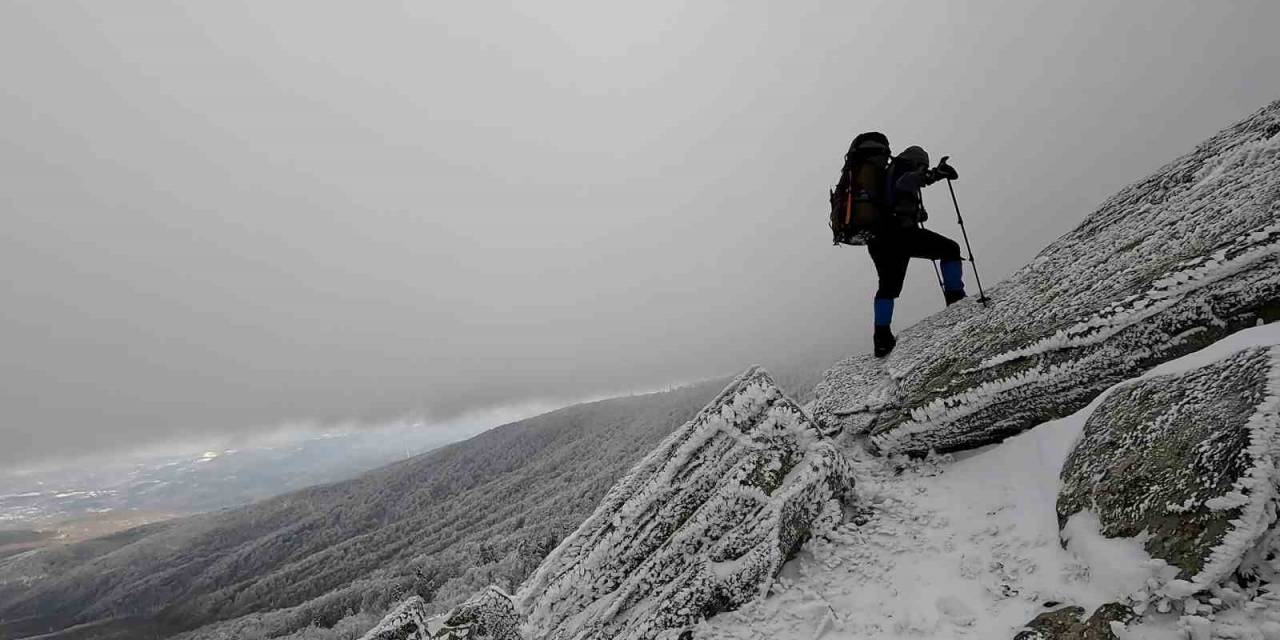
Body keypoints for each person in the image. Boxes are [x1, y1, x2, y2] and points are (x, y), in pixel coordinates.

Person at [866, 144, 965, 358]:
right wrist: (936, 174)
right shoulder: (902, 169)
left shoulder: (885, 175)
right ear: (917, 162)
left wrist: (915, 214)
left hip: (878, 241)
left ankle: (881, 338)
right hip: (901, 237)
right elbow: (907, 181)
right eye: (922, 166)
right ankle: (956, 299)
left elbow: (896, 199)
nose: (922, 170)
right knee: (951, 249)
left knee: (888, 287)